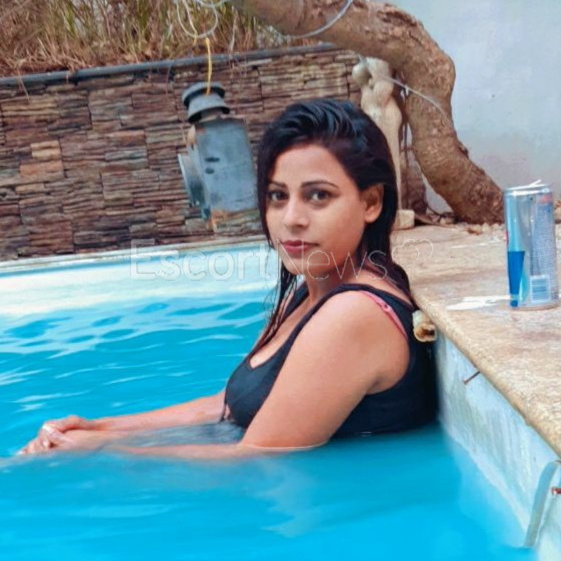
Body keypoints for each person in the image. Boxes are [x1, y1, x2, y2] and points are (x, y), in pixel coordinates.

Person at [18, 99, 437, 460]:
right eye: (278, 196)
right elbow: (228, 407)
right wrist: (101, 429)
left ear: (371, 202)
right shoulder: (309, 292)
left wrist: (100, 454)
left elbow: (257, 457)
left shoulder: (353, 314)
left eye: (318, 195)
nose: (291, 218)